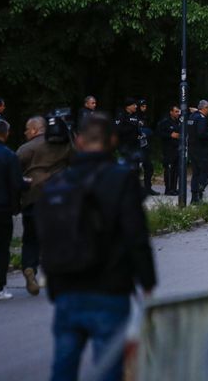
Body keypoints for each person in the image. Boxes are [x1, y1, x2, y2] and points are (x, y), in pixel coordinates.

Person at [37, 113, 156, 381]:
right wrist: (147, 282)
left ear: (78, 141)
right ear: (112, 140)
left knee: (63, 367)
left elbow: (46, 235)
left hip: (67, 289)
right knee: (107, 368)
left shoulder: (58, 183)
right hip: (109, 288)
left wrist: (55, 284)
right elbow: (136, 236)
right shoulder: (121, 179)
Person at [16, 116, 72, 296]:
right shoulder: (63, 145)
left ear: (34, 130)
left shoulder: (26, 149)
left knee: (30, 239)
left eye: (26, 130)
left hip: (33, 198)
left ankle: (29, 268)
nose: (25, 133)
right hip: (57, 198)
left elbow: (14, 171)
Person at [0, 120, 23, 300]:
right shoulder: (9, 155)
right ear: (6, 134)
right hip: (1, 207)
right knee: (2, 248)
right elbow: (16, 183)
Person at [188, 100, 208, 203]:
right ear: (204, 108)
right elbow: (201, 134)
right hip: (200, 149)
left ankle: (194, 198)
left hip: (192, 148)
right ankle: (199, 194)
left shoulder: (192, 117)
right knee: (206, 173)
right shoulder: (201, 119)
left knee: (196, 173)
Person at [156, 105, 182, 195]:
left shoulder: (179, 122)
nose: (178, 113)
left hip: (177, 148)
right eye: (176, 111)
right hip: (168, 149)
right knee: (169, 169)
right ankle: (168, 189)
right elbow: (159, 133)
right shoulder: (165, 122)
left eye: (178, 112)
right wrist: (170, 135)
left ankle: (174, 188)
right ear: (171, 112)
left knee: (176, 169)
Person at [136, 99, 158, 195]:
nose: (144, 108)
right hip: (136, 147)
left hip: (145, 146)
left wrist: (146, 132)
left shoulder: (146, 117)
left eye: (145, 106)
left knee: (149, 167)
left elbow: (150, 130)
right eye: (142, 106)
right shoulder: (134, 117)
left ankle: (147, 188)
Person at [114, 97, 141, 170]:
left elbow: (137, 129)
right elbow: (117, 130)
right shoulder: (121, 115)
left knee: (136, 167)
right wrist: (131, 128)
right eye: (134, 105)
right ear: (128, 106)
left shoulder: (135, 116)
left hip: (135, 146)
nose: (136, 106)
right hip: (125, 146)